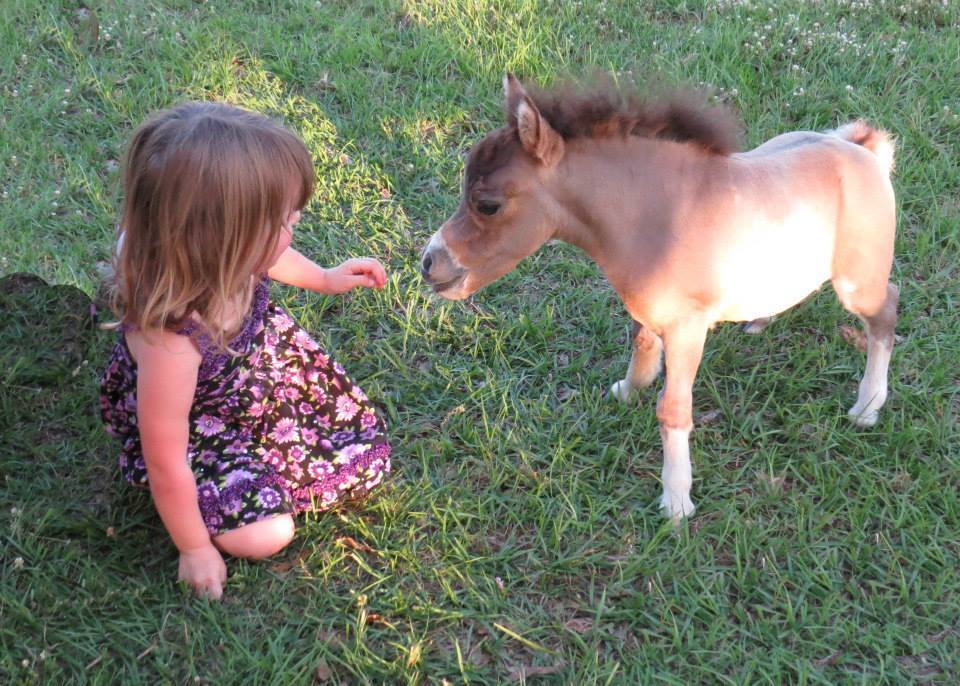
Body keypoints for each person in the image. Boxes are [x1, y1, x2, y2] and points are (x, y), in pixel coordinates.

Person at [99, 102, 391, 599]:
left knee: (353, 448)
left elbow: (269, 258)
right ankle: (217, 506)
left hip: (248, 375)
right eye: (282, 221)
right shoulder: (171, 342)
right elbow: (166, 459)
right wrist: (193, 547)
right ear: (222, 242)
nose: (292, 230)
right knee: (265, 535)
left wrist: (322, 277)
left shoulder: (222, 252)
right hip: (195, 425)